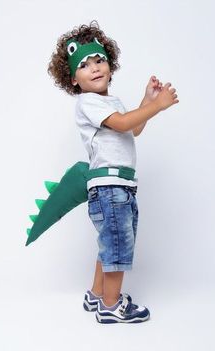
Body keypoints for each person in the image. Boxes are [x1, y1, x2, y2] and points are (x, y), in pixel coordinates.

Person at [48, 20, 179, 324]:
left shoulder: (111, 102)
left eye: (99, 60)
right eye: (84, 65)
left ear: (110, 65)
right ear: (73, 80)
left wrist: (146, 101)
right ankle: (110, 304)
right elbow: (121, 123)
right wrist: (158, 106)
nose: (94, 67)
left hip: (120, 187)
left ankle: (96, 295)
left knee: (110, 243)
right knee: (119, 245)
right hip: (109, 189)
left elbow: (133, 129)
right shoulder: (87, 102)